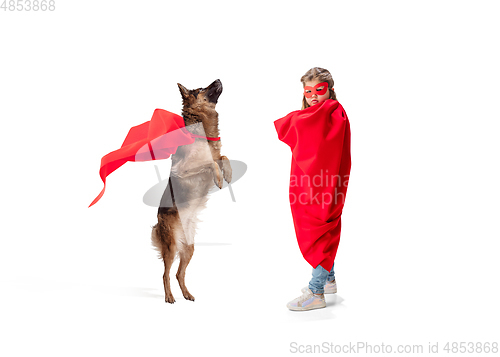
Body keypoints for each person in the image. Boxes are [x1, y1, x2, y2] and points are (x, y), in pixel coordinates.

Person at [274, 67, 351, 311]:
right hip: (316, 181)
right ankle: (328, 280)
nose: (314, 96)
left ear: (330, 90)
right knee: (325, 226)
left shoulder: (330, 112)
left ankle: (316, 292)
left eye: (319, 90)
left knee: (320, 229)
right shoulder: (318, 113)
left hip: (323, 183)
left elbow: (299, 127)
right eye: (308, 91)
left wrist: (296, 120)